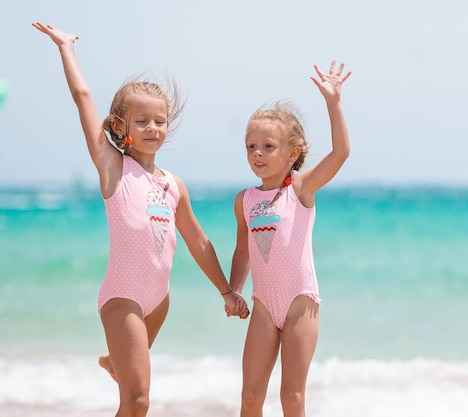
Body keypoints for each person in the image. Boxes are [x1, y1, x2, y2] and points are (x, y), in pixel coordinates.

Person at [32, 22, 249, 417]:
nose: (153, 128)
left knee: (130, 383)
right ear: (121, 128)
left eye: (160, 121)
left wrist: (227, 291)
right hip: (122, 299)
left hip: (158, 302)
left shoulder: (173, 185)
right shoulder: (112, 167)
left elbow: (198, 242)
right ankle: (117, 363)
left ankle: (114, 362)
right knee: (138, 401)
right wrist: (65, 48)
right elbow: (83, 97)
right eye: (142, 121)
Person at [229, 60, 351, 417]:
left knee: (291, 396)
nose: (257, 154)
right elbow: (242, 249)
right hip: (263, 305)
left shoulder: (300, 188)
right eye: (251, 146)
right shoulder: (245, 200)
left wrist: (334, 102)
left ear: (292, 154)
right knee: (250, 396)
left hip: (301, 303)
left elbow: (341, 153)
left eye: (268, 146)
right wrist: (234, 290)